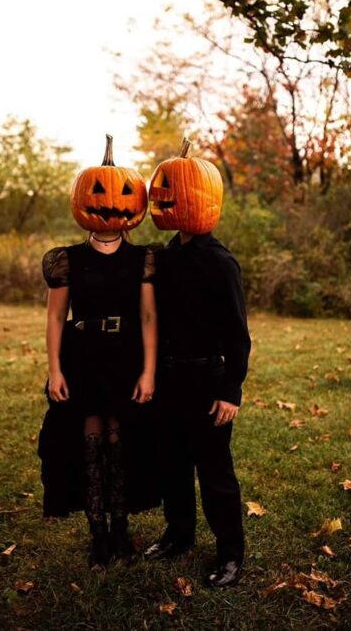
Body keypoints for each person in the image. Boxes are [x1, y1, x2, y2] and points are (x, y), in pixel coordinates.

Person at [38, 135, 159, 567]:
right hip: (84, 354)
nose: (111, 202)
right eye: (101, 193)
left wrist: (149, 371)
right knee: (88, 440)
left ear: (137, 205)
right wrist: (54, 370)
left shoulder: (143, 259)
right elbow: (55, 318)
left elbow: (148, 318)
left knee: (121, 440)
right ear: (82, 201)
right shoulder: (67, 259)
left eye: (126, 192)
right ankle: (98, 535)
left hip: (126, 355)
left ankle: (122, 530)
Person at [144, 139, 251, 588]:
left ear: (199, 197)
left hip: (207, 379)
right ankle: (179, 535)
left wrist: (230, 391)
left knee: (214, 471)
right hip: (168, 377)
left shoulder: (220, 263)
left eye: (172, 189)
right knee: (172, 464)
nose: (162, 196)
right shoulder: (162, 259)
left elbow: (238, 336)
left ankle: (231, 552)